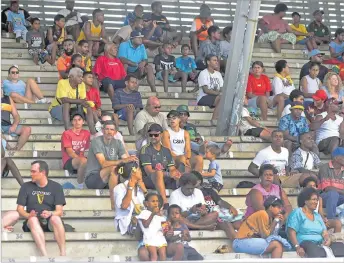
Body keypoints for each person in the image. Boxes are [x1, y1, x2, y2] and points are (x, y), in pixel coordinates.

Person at [16, 160, 66, 256]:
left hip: (49, 219)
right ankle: (45, 256)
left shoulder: (56, 187)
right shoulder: (25, 186)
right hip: (33, 220)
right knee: (33, 219)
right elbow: (19, 209)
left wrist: (50, 213)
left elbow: (59, 211)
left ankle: (63, 254)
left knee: (56, 218)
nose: (31, 174)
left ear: (43, 173)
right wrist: (28, 215)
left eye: (33, 171)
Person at [84, 120, 137, 208]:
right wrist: (123, 161)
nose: (109, 132)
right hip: (93, 179)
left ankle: (136, 201)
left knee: (132, 167)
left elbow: (126, 158)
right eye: (107, 129)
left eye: (112, 130)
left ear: (115, 132)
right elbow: (103, 164)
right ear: (102, 130)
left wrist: (132, 161)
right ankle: (113, 204)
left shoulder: (118, 142)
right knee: (114, 168)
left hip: (109, 179)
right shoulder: (96, 141)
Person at [287, 187, 344, 258]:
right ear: (305, 201)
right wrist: (297, 247)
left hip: (319, 243)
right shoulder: (297, 212)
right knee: (313, 249)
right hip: (304, 243)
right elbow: (291, 232)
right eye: (314, 199)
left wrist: (327, 239)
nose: (316, 202)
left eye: (317, 200)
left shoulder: (317, 216)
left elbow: (324, 232)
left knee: (340, 247)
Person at [140, 123, 182, 207]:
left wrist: (175, 173)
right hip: (149, 179)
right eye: (151, 135)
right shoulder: (145, 149)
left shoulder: (166, 150)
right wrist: (167, 174)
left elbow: (172, 168)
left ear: (161, 135)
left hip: (164, 178)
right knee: (158, 172)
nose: (153, 137)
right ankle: (165, 202)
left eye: (156, 135)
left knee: (184, 174)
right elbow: (149, 171)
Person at [193, 170, 241, 240]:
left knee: (239, 223)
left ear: (199, 181)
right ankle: (238, 243)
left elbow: (220, 201)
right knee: (226, 224)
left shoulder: (208, 190)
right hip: (207, 218)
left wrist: (231, 207)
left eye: (193, 180)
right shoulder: (190, 194)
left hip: (219, 215)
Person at [48, 67, 96, 135]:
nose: (81, 79)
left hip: (72, 109)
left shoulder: (82, 84)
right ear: (71, 77)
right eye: (79, 76)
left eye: (82, 77)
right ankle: (67, 132)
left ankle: (93, 133)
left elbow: (83, 100)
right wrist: (79, 101)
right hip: (57, 109)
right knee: (67, 103)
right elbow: (64, 100)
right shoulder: (62, 83)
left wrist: (81, 102)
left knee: (87, 106)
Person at [61, 112, 90, 189]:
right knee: (83, 161)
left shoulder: (86, 133)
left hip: (82, 161)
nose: (77, 122)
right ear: (72, 122)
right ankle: (80, 186)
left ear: (83, 122)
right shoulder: (66, 133)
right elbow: (70, 152)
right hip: (69, 161)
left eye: (79, 120)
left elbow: (87, 149)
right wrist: (81, 159)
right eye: (75, 120)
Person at [137, 193, 168, 261]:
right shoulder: (144, 212)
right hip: (150, 239)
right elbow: (145, 225)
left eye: (157, 201)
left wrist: (168, 226)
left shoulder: (161, 216)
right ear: (147, 203)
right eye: (153, 201)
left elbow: (165, 230)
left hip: (160, 239)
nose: (155, 203)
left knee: (163, 255)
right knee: (154, 256)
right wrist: (153, 214)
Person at [318, 147, 344, 220]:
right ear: (335, 158)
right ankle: (331, 220)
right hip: (323, 198)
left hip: (340, 198)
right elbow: (327, 188)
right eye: (343, 156)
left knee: (335, 194)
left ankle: (341, 216)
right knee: (333, 194)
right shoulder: (325, 168)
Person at [197, 54, 223, 125]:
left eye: (217, 60)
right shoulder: (203, 73)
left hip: (215, 97)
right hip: (203, 97)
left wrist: (220, 93)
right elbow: (206, 90)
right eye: (214, 60)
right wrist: (219, 93)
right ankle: (214, 119)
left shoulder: (218, 74)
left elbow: (221, 88)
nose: (216, 62)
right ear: (208, 62)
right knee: (222, 98)